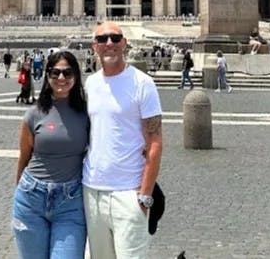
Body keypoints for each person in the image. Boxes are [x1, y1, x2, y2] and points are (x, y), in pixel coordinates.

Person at [83, 22, 163, 258]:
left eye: (115, 38)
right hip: (92, 190)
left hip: (129, 192)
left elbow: (155, 142)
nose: (109, 44)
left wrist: (145, 194)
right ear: (94, 46)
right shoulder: (91, 83)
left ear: (125, 43)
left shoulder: (143, 83)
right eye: (103, 39)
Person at [12, 51, 89, 259]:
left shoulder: (88, 113)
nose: (61, 78)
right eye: (55, 73)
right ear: (47, 76)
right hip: (31, 197)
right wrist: (19, 190)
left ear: (76, 76)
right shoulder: (33, 113)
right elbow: (24, 158)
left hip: (70, 202)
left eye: (67, 73)